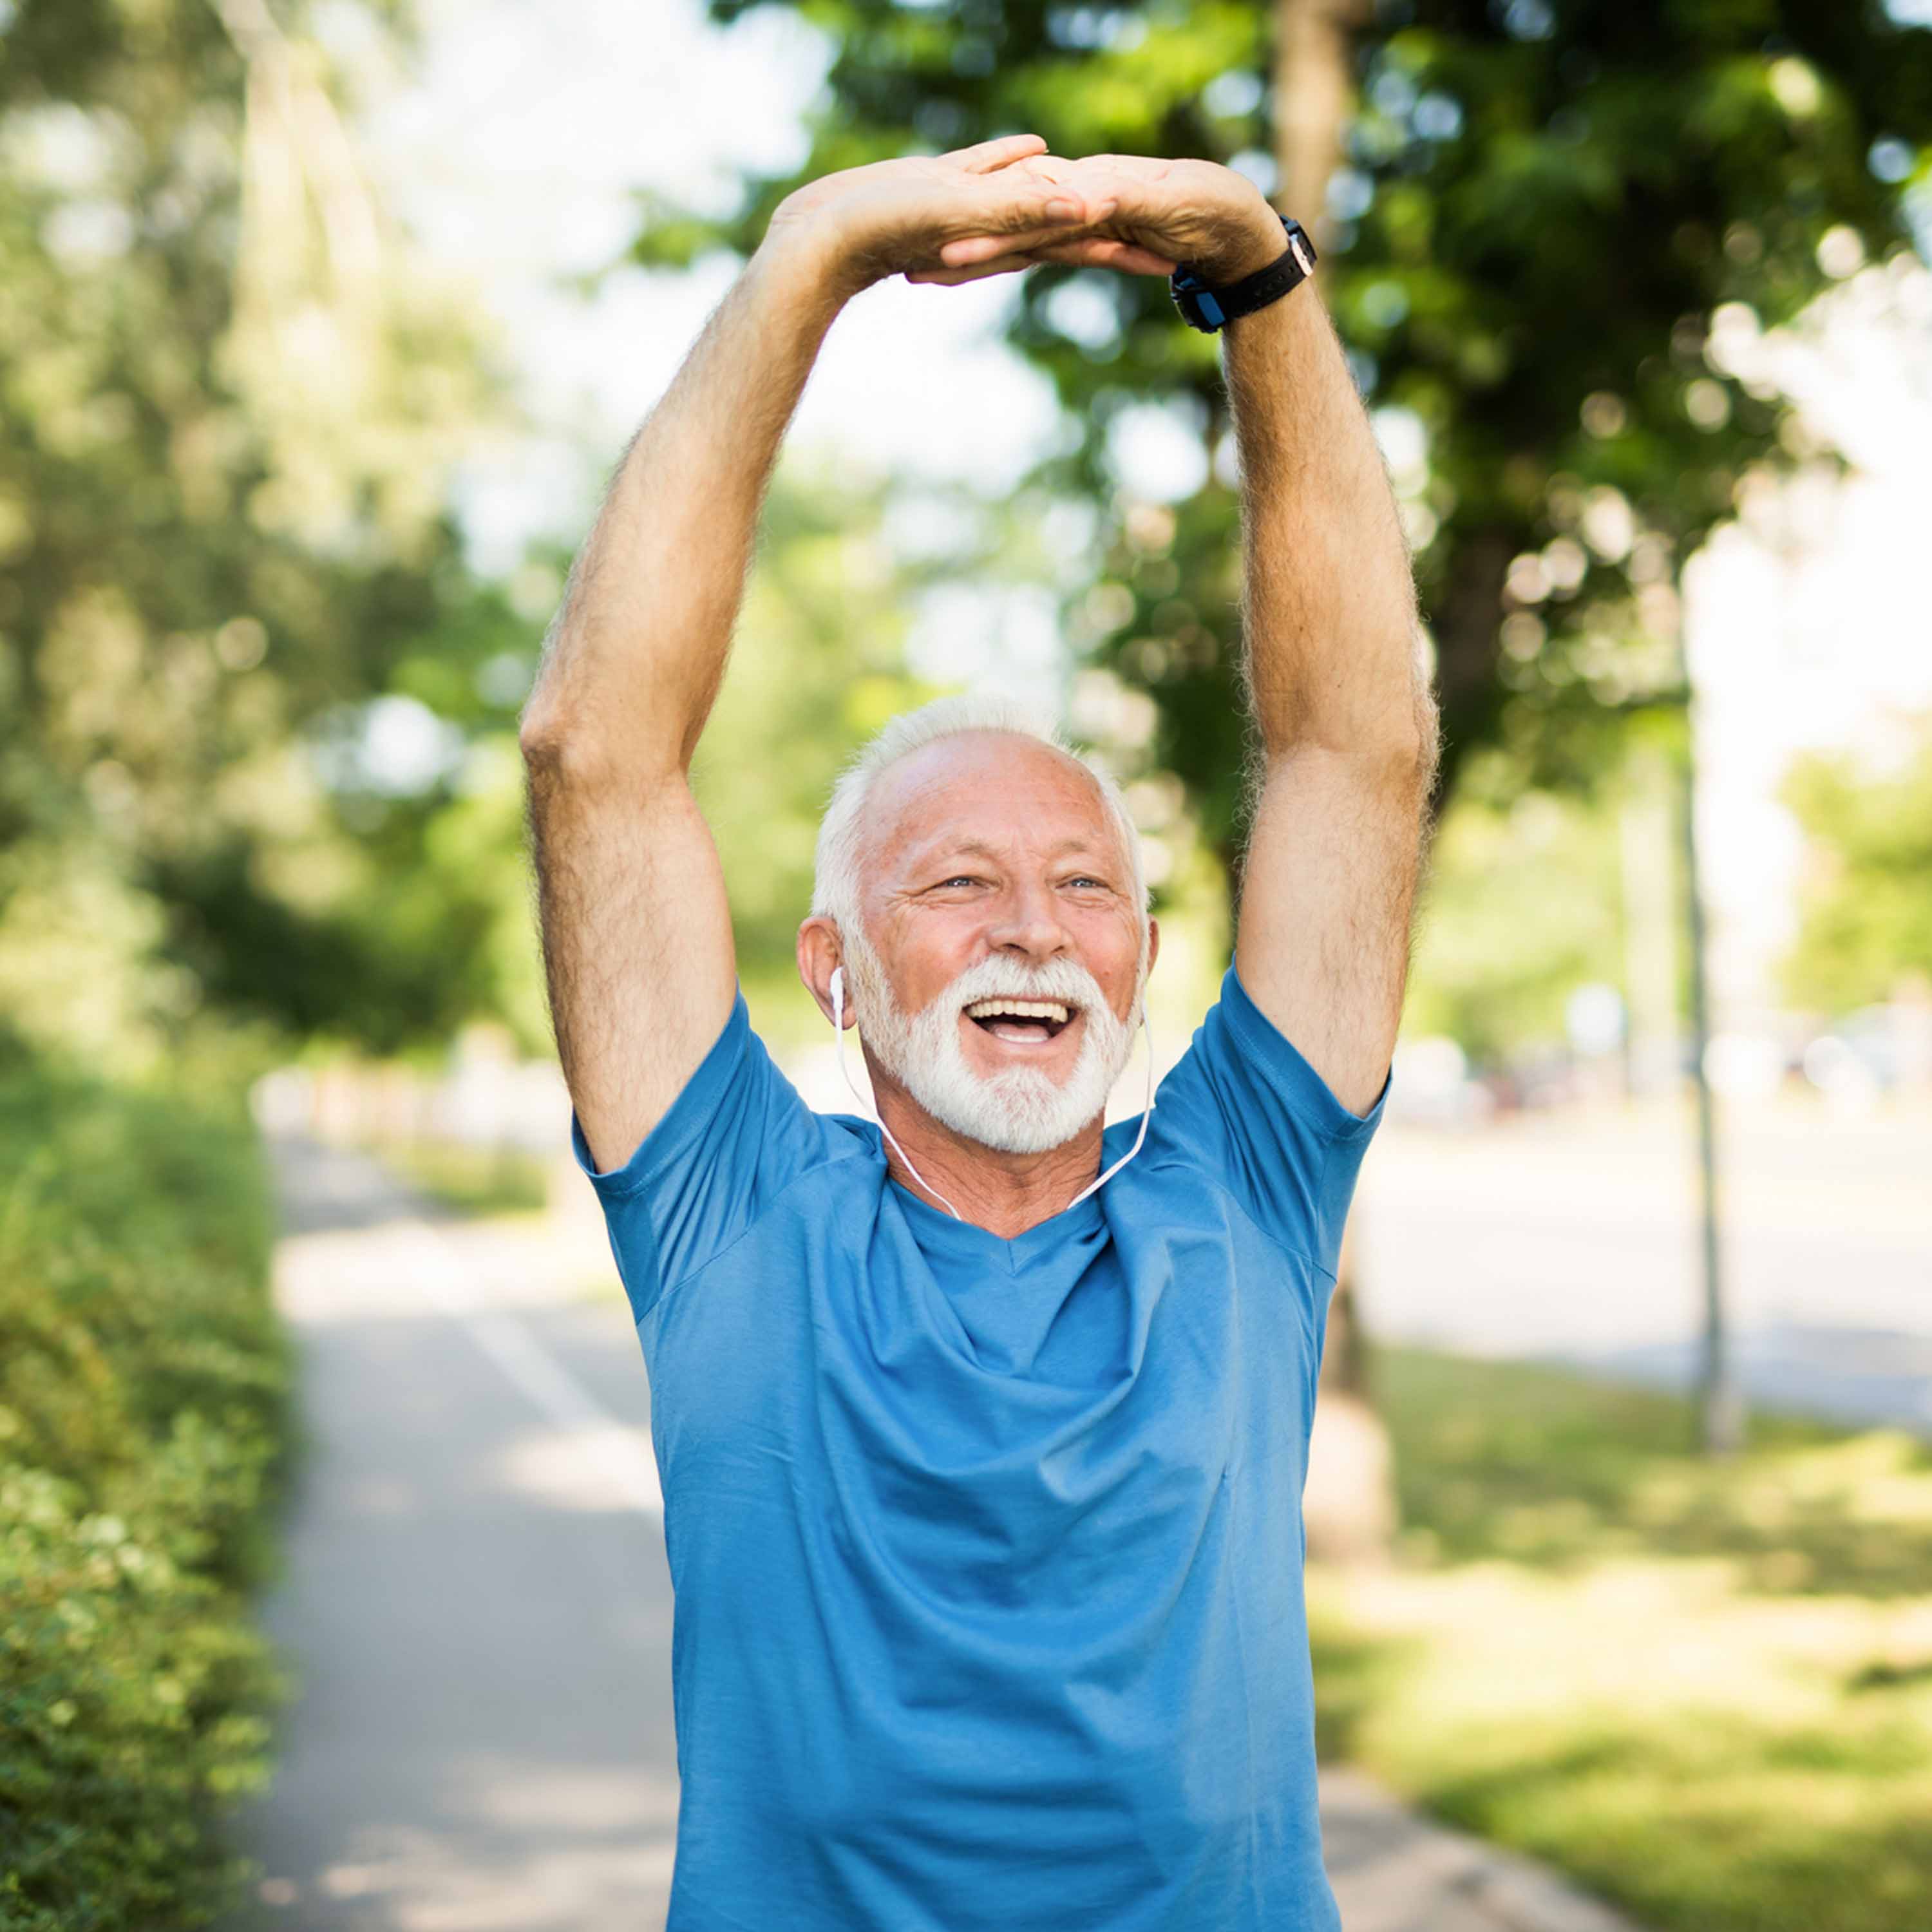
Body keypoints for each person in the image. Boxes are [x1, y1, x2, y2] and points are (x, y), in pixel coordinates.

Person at [518, 136, 1437, 1932]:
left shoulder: (1246, 1198)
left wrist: (1259, 277)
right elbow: (595, 751)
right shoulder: (732, 1219)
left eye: (1086, 886)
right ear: (837, 967)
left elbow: (1355, 750)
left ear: (1151, 955)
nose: (1034, 924)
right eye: (955, 884)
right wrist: (813, 257)